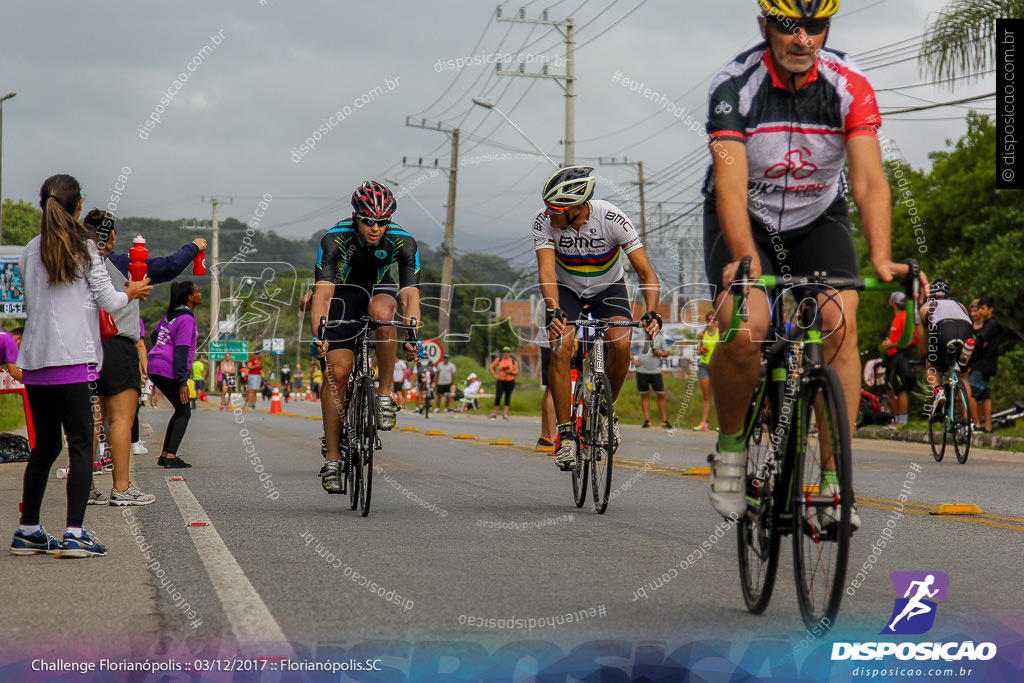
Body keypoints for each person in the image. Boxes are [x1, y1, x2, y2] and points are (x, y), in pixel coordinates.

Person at [701, 0, 923, 524]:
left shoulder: (849, 84)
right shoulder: (733, 85)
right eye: (788, 27)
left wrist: (882, 256)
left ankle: (832, 482)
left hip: (817, 215)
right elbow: (731, 184)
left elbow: (868, 180)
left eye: (816, 27)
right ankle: (732, 453)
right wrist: (746, 260)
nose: (803, 39)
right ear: (765, 28)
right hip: (744, 217)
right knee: (744, 325)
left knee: (838, 321)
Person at [10, 173, 151, 558]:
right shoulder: (85, 247)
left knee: (44, 448)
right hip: (74, 359)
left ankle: (28, 530)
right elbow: (109, 301)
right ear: (76, 207)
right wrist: (132, 291)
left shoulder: (29, 249)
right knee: (81, 445)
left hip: (37, 361)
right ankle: (74, 533)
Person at [537, 166, 663, 470]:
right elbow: (545, 271)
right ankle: (565, 436)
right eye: (547, 206)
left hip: (609, 288)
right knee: (560, 346)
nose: (548, 213)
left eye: (556, 208)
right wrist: (553, 309)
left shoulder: (611, 218)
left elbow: (647, 273)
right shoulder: (544, 221)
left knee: (621, 343)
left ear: (578, 208)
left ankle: (606, 412)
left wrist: (652, 311)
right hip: (566, 289)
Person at [310, 181, 421, 494]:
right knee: (337, 373)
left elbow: (411, 293)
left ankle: (384, 395)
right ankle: (332, 458)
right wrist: (319, 335)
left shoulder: (403, 241)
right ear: (355, 216)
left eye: (382, 221)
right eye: (368, 221)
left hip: (378, 291)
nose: (375, 228)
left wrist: (413, 332)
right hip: (341, 296)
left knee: (385, 317)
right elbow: (323, 293)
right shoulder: (335, 239)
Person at [82, 209, 196, 505]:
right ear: (114, 236)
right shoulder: (123, 264)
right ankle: (121, 488)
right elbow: (170, 267)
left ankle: (84, 486)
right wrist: (196, 246)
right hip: (117, 346)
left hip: (82, 348)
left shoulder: (75, 263)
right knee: (120, 418)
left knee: (93, 421)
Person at [147, 281, 201, 468]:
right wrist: (182, 380)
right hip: (168, 368)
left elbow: (155, 337)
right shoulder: (186, 319)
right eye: (197, 292)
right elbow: (181, 350)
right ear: (189, 297)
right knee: (184, 411)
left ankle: (165, 455)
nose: (200, 294)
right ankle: (170, 457)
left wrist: (161, 351)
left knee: (180, 410)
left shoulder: (171, 315)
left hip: (155, 364)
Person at [915, 279, 973, 399]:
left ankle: (938, 391)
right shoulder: (959, 305)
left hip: (943, 329)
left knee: (932, 367)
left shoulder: (926, 306)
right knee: (962, 376)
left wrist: (928, 356)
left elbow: (923, 350)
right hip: (966, 329)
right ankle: (968, 417)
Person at [881, 291, 918, 426]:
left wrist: (892, 343)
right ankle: (896, 418)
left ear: (892, 303)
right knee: (890, 388)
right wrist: (890, 342)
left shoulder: (905, 317)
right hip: (892, 356)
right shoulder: (897, 318)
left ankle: (902, 421)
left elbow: (912, 339)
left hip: (901, 355)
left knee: (900, 388)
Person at [970, 296, 1001, 432]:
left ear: (990, 309)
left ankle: (976, 424)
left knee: (969, 393)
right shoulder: (993, 325)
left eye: (983, 308)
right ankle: (988, 426)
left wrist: (976, 343)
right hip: (989, 365)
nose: (981, 311)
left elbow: (980, 340)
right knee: (985, 396)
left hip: (982, 364)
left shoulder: (990, 324)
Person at [633, 334, 671, 429]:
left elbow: (666, 353)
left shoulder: (660, 338)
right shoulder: (638, 337)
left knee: (661, 395)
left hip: (655, 371)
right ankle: (647, 420)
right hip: (642, 370)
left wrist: (658, 354)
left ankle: (664, 420)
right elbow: (627, 347)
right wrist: (633, 360)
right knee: (644, 395)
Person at [693, 312, 719, 431]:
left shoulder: (721, 334)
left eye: (714, 319)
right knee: (706, 396)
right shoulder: (702, 334)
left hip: (718, 367)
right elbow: (697, 350)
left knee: (719, 396)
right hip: (704, 365)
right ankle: (704, 423)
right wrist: (701, 351)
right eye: (709, 319)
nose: (711, 321)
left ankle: (722, 424)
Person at [534, 325, 557, 451]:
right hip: (554, 338)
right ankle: (551, 435)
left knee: (550, 387)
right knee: (553, 387)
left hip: (548, 338)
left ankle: (545, 434)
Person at [488, 347, 520, 420]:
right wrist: (495, 375)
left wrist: (511, 372)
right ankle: (494, 413)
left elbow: (517, 371)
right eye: (504, 352)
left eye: (508, 352)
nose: (506, 353)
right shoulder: (499, 360)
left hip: (510, 381)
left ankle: (505, 413)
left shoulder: (513, 361)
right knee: (498, 396)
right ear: (503, 353)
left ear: (510, 353)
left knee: (507, 396)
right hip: (501, 380)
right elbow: (491, 366)